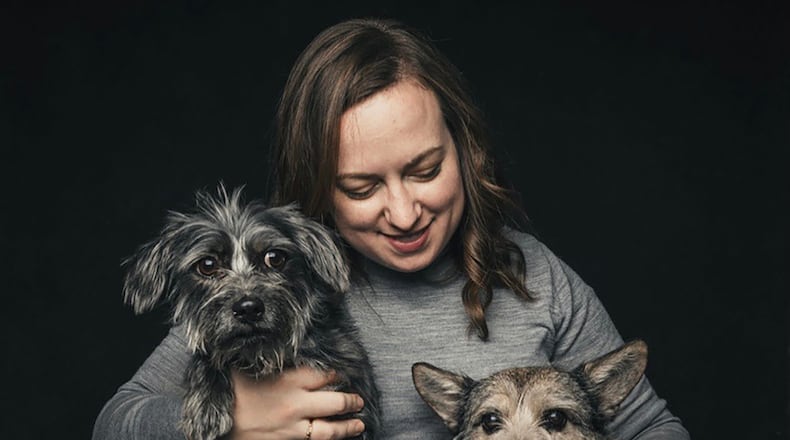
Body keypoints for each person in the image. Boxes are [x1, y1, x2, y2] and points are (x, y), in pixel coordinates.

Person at [94, 18, 690, 439]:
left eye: (425, 170)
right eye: (361, 188)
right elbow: (115, 422)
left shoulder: (538, 279)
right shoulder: (282, 289)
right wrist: (236, 417)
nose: (404, 213)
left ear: (466, 149)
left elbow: (652, 428)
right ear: (318, 191)